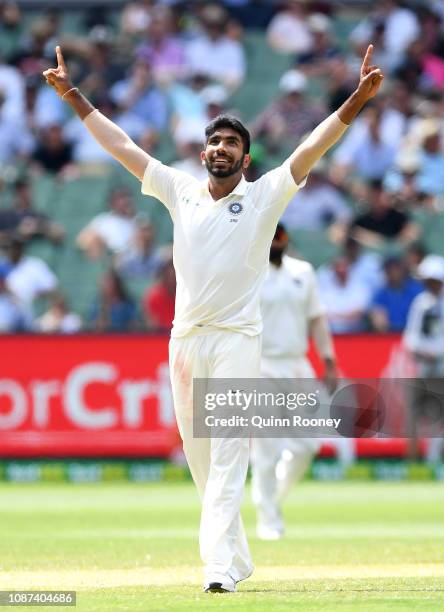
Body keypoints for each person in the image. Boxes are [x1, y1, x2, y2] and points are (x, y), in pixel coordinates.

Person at [43, 43, 383, 594]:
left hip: (237, 342)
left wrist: (357, 100)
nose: (220, 147)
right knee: (204, 466)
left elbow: (312, 147)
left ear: (245, 159)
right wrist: (74, 95)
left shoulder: (265, 195)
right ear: (204, 153)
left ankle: (216, 572)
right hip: (185, 341)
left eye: (231, 142)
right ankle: (238, 558)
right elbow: (121, 146)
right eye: (214, 140)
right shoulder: (178, 191)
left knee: (228, 453)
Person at [251, 223, 338, 540]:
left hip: (298, 366)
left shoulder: (303, 271)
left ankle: (272, 498)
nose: (276, 242)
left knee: (306, 445)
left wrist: (329, 359)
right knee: (266, 448)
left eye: (280, 237)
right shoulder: (249, 273)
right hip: (262, 366)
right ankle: (268, 520)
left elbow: (317, 318)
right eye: (270, 237)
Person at [403, 255, 444, 463]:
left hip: (442, 368)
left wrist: (437, 352)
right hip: (422, 368)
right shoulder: (421, 303)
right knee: (413, 414)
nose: (431, 285)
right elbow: (410, 337)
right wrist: (418, 350)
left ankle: (438, 462)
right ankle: (411, 463)